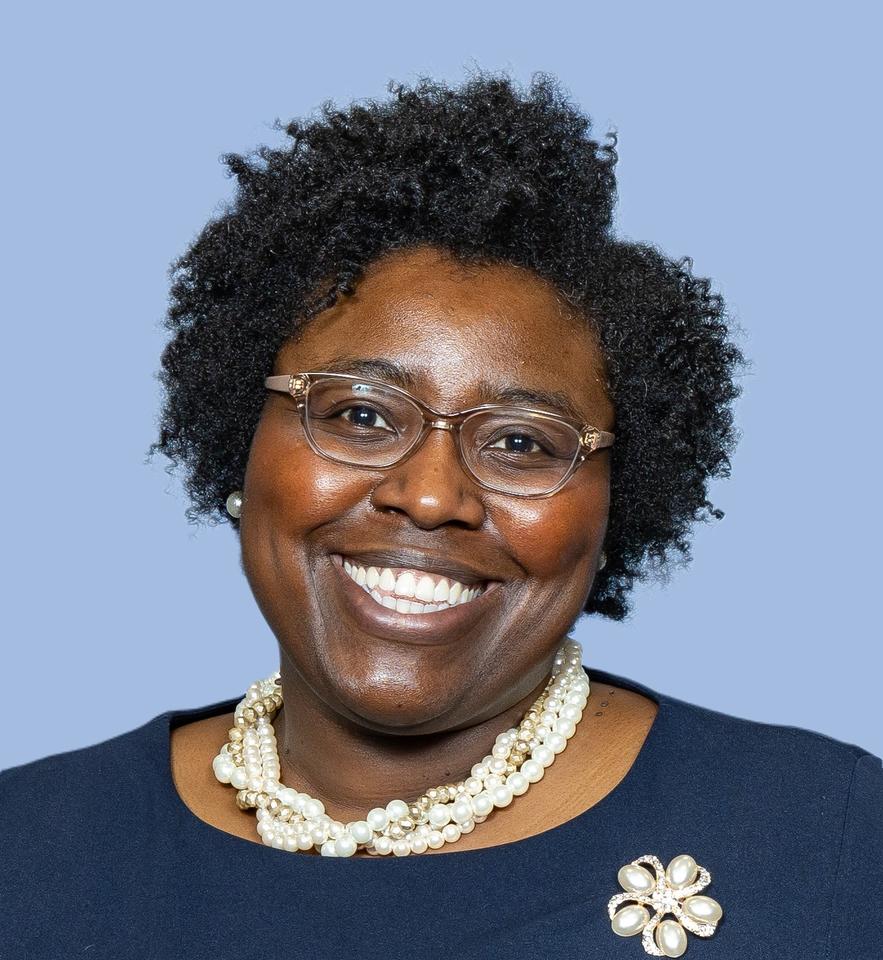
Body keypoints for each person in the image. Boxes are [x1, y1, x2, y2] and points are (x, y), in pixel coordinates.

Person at [2, 73, 879, 960]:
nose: (428, 496)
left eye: (522, 444)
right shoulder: (28, 850)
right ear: (241, 443)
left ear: (616, 507)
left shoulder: (828, 842)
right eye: (360, 415)